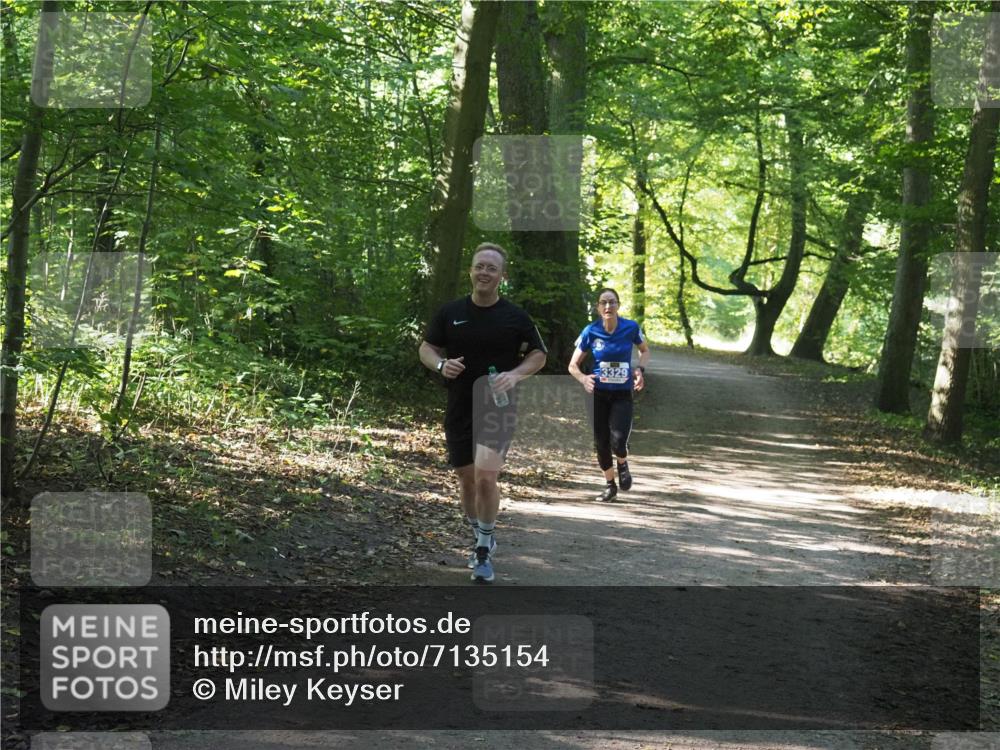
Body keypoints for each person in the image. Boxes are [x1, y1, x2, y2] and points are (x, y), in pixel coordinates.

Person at [419, 243, 547, 583]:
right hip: (459, 404)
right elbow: (427, 347)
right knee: (466, 477)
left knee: (486, 476)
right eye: (480, 266)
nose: (484, 273)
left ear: (502, 276)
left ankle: (483, 548)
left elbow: (539, 354)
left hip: (498, 408)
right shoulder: (451, 312)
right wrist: (441, 364)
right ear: (471, 271)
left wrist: (515, 374)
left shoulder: (516, 316)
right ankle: (481, 534)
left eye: (492, 268)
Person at [568, 288, 650, 502]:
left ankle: (622, 463)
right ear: (597, 307)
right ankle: (610, 485)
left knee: (619, 440)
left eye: (612, 302)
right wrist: (584, 378)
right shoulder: (590, 331)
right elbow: (572, 365)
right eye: (603, 302)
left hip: (622, 393)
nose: (608, 307)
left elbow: (645, 350)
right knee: (601, 442)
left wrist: (640, 370)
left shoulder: (630, 327)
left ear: (618, 305)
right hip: (597, 395)